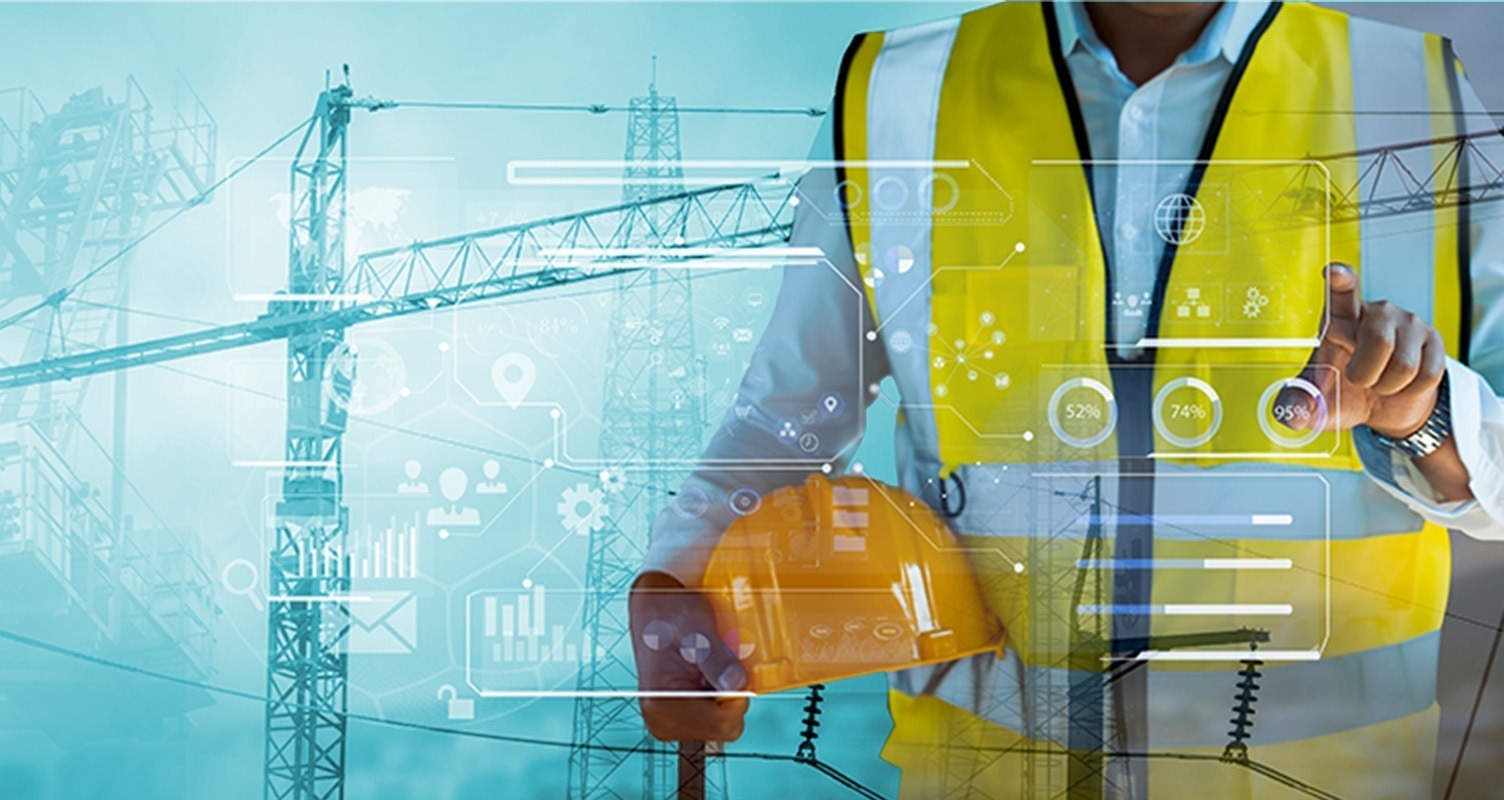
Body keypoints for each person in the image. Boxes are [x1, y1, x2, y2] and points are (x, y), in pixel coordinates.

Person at [630, 2, 1504, 798]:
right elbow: (789, 417)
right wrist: (675, 576)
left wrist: (1418, 416)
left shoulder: (1412, 94)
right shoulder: (901, 95)